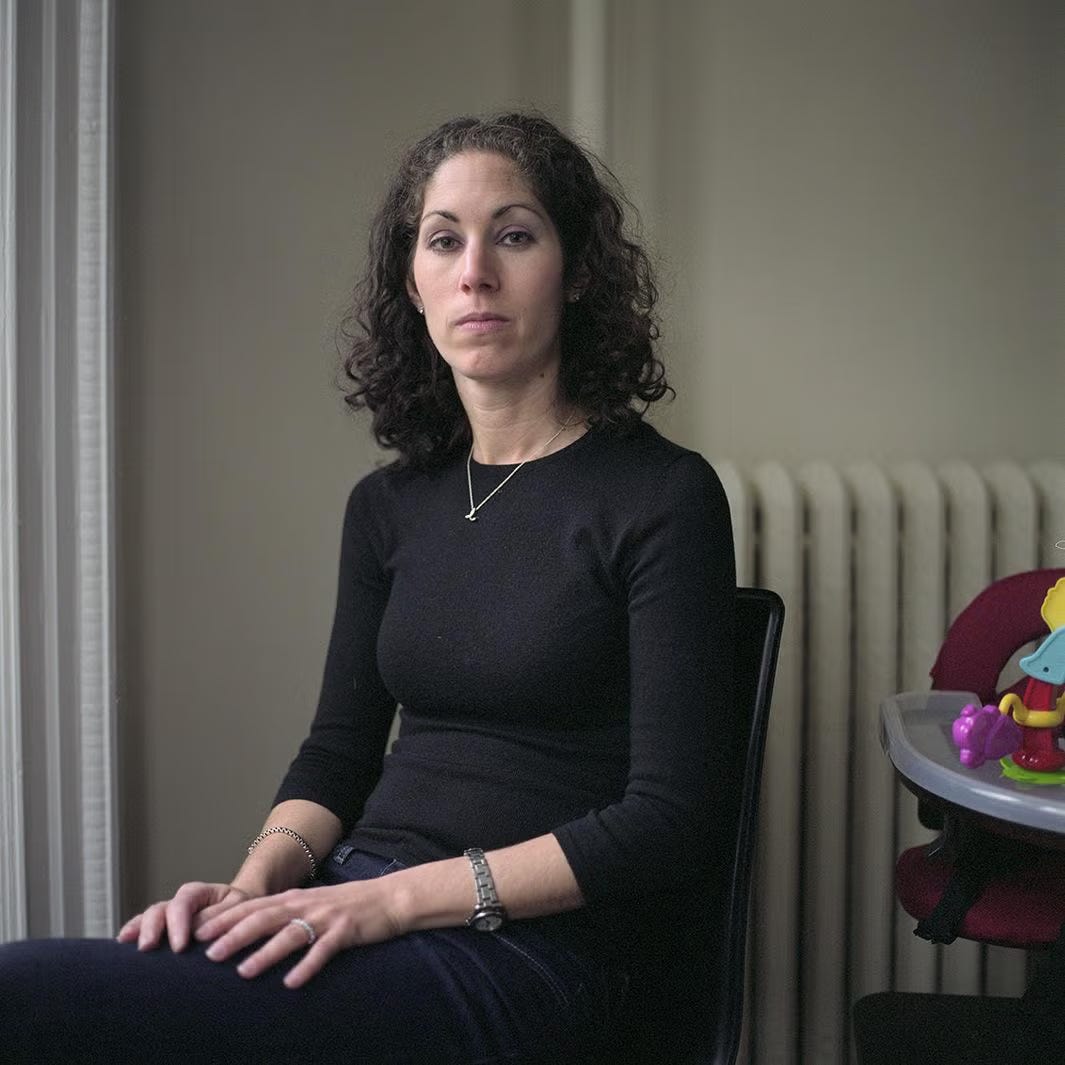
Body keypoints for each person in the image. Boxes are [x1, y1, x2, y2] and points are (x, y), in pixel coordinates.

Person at [0, 112, 736, 1064]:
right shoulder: (388, 505)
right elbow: (339, 751)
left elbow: (668, 821)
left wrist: (385, 901)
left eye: (513, 234)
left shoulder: (661, 494)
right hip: (353, 901)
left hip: (531, 952)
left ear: (578, 269)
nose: (475, 270)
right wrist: (256, 885)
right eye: (443, 240)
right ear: (413, 280)